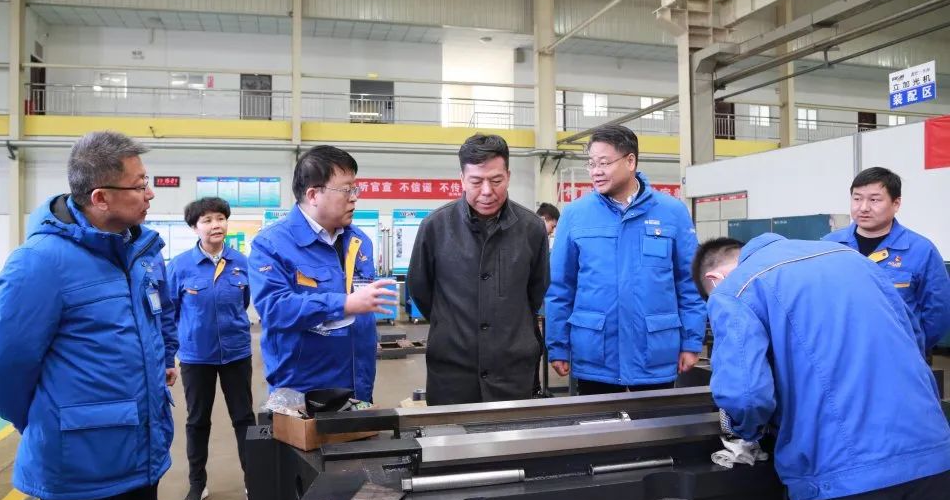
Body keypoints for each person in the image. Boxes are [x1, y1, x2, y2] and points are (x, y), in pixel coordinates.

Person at [0, 131, 180, 500]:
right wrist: (48, 420)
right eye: (140, 185)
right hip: (80, 468)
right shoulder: (41, 262)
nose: (150, 194)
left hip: (141, 455)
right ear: (101, 197)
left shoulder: (140, 253)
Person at [692, 234, 950, 500]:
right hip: (932, 458)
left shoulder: (736, 288)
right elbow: (913, 337)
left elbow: (747, 396)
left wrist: (747, 433)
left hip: (839, 476)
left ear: (714, 280)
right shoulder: (856, 261)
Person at [545, 123, 705, 394]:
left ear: (630, 161)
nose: (595, 171)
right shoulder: (575, 215)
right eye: (591, 163)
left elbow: (689, 284)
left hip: (654, 353)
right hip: (595, 354)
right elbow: (561, 287)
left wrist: (691, 341)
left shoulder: (672, 212)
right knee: (599, 422)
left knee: (655, 422)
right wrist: (558, 345)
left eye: (604, 163)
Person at [408, 133, 549, 405]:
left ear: (508, 176)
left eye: (496, 181)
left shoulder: (531, 228)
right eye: (476, 181)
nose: (487, 191)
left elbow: (536, 290)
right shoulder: (435, 227)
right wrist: (453, 325)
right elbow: (421, 291)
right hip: (452, 373)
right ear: (461, 179)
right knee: (452, 433)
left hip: (512, 373)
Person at [248, 145, 396, 401]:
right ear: (313, 194)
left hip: (358, 380)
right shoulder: (271, 244)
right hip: (303, 389)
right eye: (346, 190)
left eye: (356, 189)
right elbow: (274, 309)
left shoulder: (359, 241)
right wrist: (344, 304)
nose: (354, 197)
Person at [167, 197, 255, 500]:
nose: (215, 225)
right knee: (197, 421)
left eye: (220, 218)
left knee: (244, 418)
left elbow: (244, 302)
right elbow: (170, 314)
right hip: (196, 356)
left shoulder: (241, 262)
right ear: (195, 228)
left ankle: (253, 480)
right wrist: (169, 356)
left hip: (236, 353)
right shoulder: (179, 266)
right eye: (207, 220)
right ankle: (197, 484)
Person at [822, 166, 950, 353]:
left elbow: (938, 312)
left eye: (874, 200)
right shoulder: (829, 246)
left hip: (898, 356)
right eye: (857, 199)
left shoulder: (921, 250)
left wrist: (911, 346)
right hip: (841, 354)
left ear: (896, 203)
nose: (863, 207)